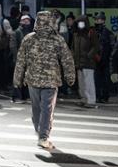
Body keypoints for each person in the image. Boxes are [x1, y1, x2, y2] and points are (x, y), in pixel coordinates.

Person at [14, 11, 76, 149]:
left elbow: (20, 61)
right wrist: (70, 77)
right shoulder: (57, 39)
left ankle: (39, 131)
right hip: (51, 80)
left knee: (36, 108)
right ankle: (43, 136)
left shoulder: (28, 38)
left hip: (32, 80)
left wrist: (17, 79)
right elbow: (67, 60)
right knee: (47, 109)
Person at [71, 15, 100, 108]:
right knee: (81, 83)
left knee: (89, 83)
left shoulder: (91, 32)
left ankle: (91, 100)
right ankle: (84, 99)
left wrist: (89, 56)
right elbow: (72, 46)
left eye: (81, 22)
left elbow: (96, 46)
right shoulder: (76, 34)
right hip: (79, 62)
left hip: (88, 62)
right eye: (78, 23)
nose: (80, 25)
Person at [11, 15, 33, 103]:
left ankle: (25, 96)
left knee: (26, 78)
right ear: (21, 21)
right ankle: (16, 96)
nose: (26, 22)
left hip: (28, 59)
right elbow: (13, 46)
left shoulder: (31, 33)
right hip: (19, 59)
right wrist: (17, 58)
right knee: (17, 78)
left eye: (28, 21)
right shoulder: (16, 32)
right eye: (25, 20)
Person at [93, 12, 114, 103]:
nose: (97, 21)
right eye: (96, 20)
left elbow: (113, 47)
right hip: (95, 59)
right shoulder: (93, 32)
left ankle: (105, 96)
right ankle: (98, 96)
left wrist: (110, 59)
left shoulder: (109, 33)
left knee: (106, 80)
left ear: (103, 20)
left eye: (99, 19)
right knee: (96, 79)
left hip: (106, 59)